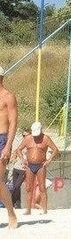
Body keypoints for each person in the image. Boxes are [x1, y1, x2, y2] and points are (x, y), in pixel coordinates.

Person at [15, 121, 59, 215]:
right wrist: (23, 159)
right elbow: (18, 149)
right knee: (28, 188)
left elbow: (55, 150)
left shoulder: (46, 138)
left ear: (41, 130)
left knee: (42, 187)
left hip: (41, 166)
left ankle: (45, 210)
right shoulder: (28, 138)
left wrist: (49, 160)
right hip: (29, 165)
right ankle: (28, 210)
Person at [0, 66, 18, 229]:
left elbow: (13, 122)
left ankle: (11, 213)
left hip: (2, 139)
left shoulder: (8, 96)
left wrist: (8, 146)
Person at [10, 129, 30, 208]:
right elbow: (15, 151)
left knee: (16, 186)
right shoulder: (21, 143)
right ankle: (17, 204)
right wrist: (13, 158)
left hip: (23, 169)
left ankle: (11, 202)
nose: (24, 137)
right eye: (23, 135)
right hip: (16, 167)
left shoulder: (31, 145)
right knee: (15, 187)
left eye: (26, 136)